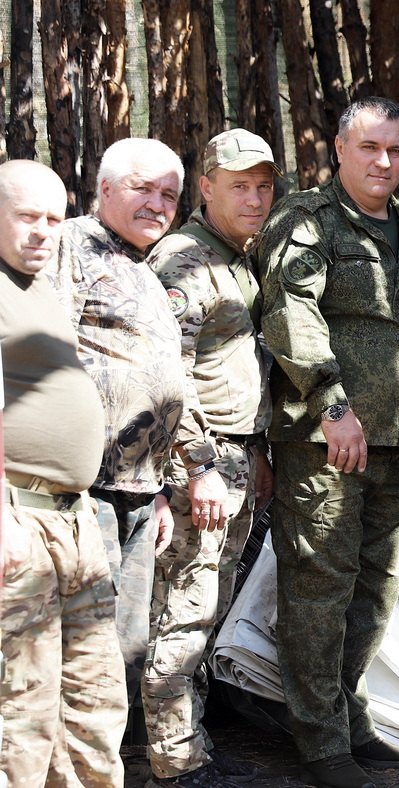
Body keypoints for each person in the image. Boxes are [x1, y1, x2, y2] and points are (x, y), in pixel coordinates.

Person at [257, 97, 399, 788]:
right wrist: (332, 406)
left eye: (395, 150)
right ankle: (319, 739)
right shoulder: (306, 219)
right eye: (370, 148)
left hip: (394, 439)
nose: (384, 162)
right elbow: (288, 312)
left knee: (376, 591)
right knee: (319, 591)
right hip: (327, 440)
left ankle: (348, 715)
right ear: (339, 148)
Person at [141, 129, 281, 787]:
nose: (254, 199)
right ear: (205, 188)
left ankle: (186, 745)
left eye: (263, 186)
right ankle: (176, 760)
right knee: (187, 607)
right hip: (203, 461)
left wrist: (255, 457)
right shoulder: (187, 261)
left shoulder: (236, 254)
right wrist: (197, 466)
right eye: (239, 187)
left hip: (235, 456)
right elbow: (168, 375)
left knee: (205, 604)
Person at [0, 159, 127, 787]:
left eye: (53, 219)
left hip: (75, 521)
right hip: (18, 521)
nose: (42, 232)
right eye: (26, 216)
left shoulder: (42, 287)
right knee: (21, 711)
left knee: (95, 700)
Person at [49, 138, 187, 714]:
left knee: (124, 647)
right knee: (79, 649)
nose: (157, 203)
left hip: (135, 489)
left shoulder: (142, 266)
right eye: (142, 188)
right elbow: (38, 356)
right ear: (105, 189)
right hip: (79, 490)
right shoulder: (69, 246)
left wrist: (155, 484)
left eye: (169, 195)